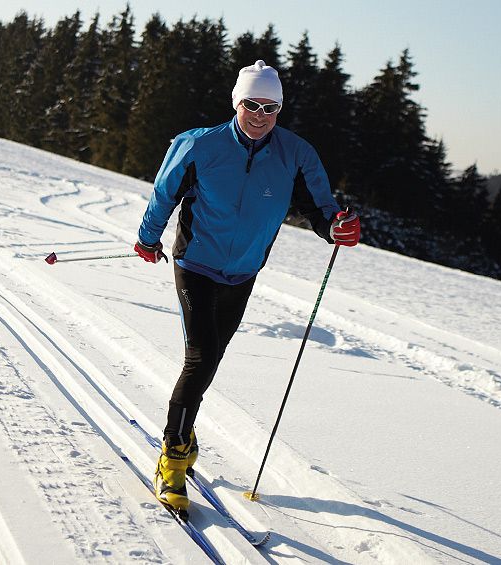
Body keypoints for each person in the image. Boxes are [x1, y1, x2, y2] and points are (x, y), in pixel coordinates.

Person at [134, 60, 361, 516]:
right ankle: (172, 456)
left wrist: (336, 227)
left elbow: (321, 208)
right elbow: (165, 193)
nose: (260, 115)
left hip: (243, 272)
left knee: (211, 357)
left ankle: (184, 433)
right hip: (196, 264)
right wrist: (147, 237)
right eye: (252, 104)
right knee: (200, 357)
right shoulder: (199, 145)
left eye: (270, 108)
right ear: (236, 102)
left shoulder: (296, 154)